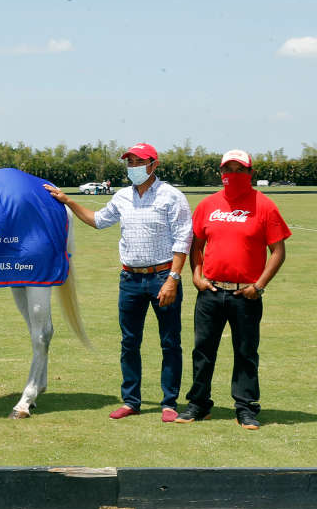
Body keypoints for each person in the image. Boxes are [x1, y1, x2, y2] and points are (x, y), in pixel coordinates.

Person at [45, 142, 193, 422]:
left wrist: (173, 278)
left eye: (139, 162)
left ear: (154, 165)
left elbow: (183, 238)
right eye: (130, 162)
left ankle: (169, 402)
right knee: (129, 343)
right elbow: (98, 220)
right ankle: (131, 400)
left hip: (163, 276)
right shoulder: (122, 197)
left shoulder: (171, 196)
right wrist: (69, 202)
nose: (133, 167)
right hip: (130, 279)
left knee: (170, 343)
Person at [176, 150, 291, 430]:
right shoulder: (208, 205)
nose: (233, 174)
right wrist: (197, 275)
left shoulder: (264, 206)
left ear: (250, 173)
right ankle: (199, 404)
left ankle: (246, 408)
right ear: (221, 173)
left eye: (240, 169)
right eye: (228, 169)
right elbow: (196, 245)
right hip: (211, 292)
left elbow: (278, 251)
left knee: (246, 352)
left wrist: (259, 286)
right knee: (203, 351)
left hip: (246, 295)